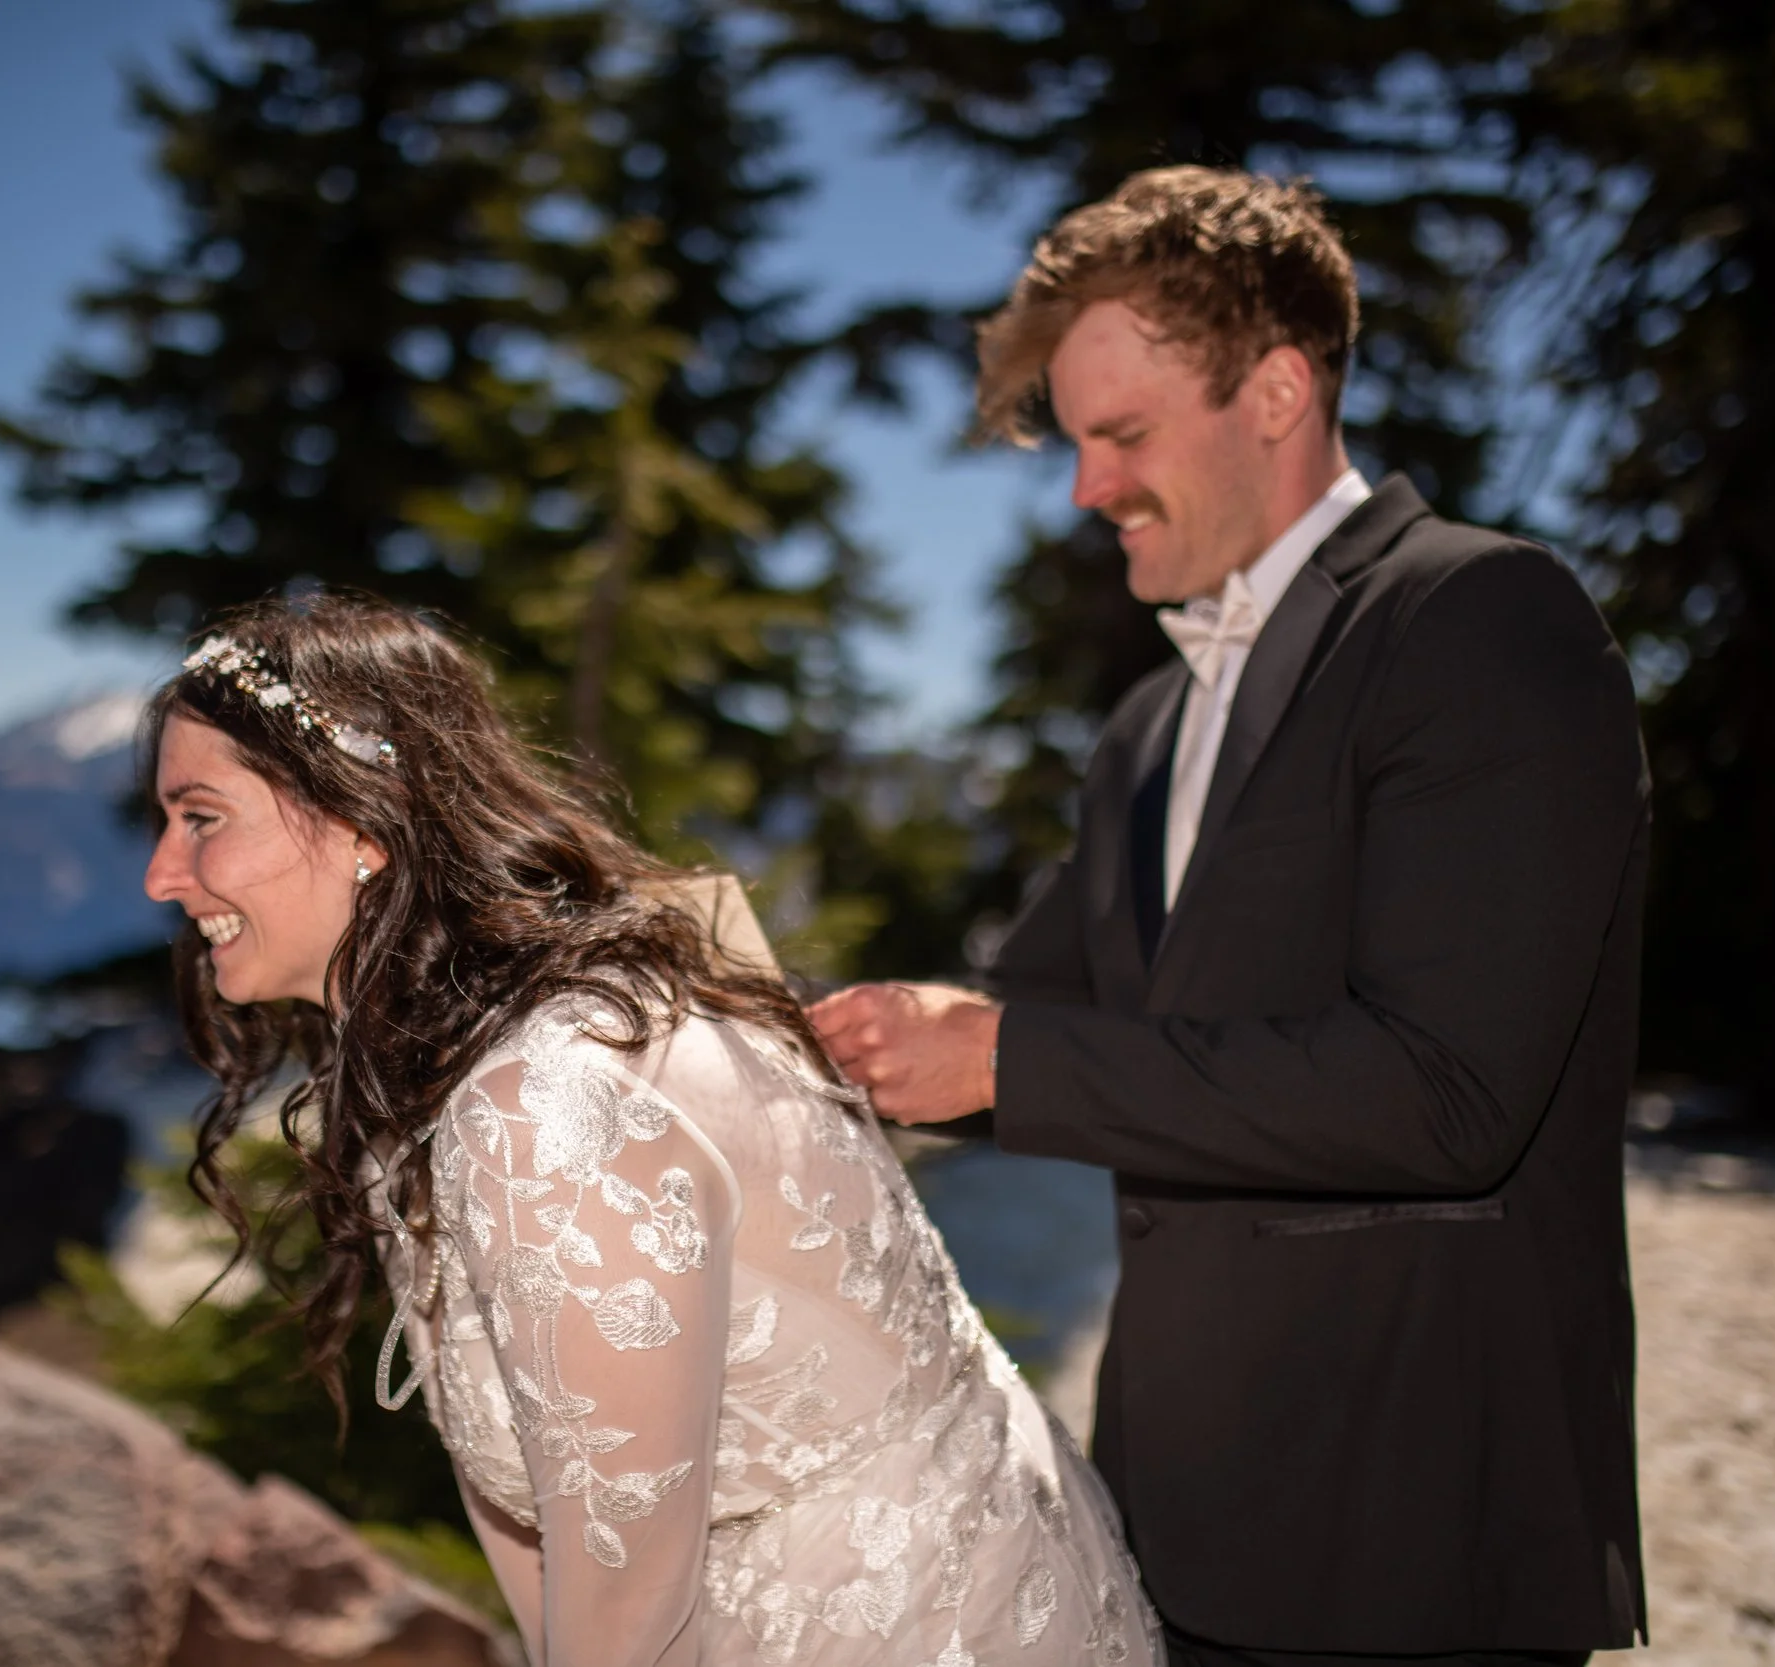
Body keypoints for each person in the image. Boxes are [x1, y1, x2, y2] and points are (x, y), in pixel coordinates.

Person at [811, 167, 1650, 1667]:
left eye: (1121, 436)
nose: (1087, 489)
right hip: (1172, 1509)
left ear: (1276, 392)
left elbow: (1447, 1091)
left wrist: (1002, 1054)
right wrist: (733, 1014)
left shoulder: (1482, 618)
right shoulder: (1148, 717)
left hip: (1412, 1539)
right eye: (1075, 445)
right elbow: (1028, 1008)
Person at [140, 596, 1163, 1667]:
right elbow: (534, 1506)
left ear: (361, 820)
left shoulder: (545, 1102)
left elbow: (627, 1604)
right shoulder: (502, 1032)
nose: (163, 874)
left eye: (202, 816)